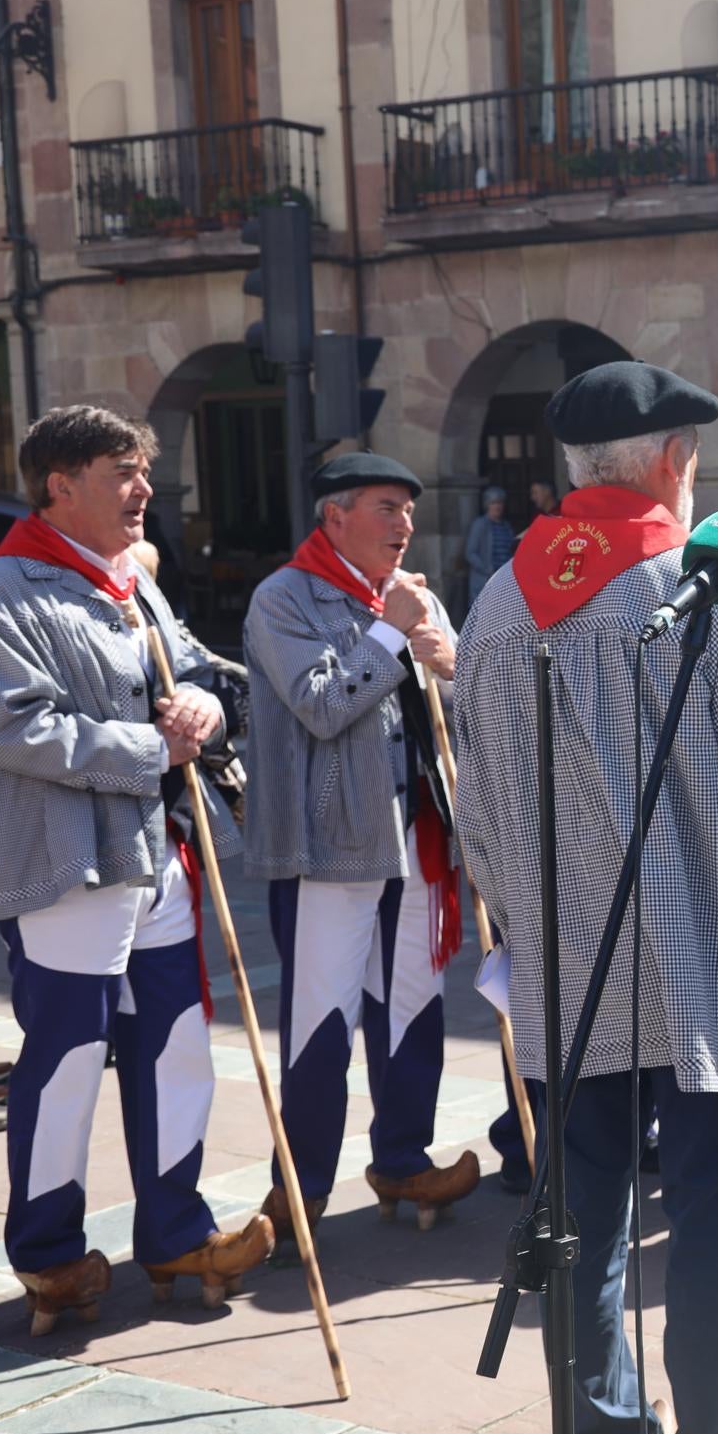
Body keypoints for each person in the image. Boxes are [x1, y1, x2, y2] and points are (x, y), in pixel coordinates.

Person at [452, 362, 718, 1434]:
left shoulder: (498, 605)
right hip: (704, 961)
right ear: (672, 459)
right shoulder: (705, 586)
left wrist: (525, 929)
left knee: (584, 1229)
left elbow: (478, 816)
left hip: (566, 974)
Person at [0, 407, 273, 1333]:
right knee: (68, 1065)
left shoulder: (129, 580)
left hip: (159, 854)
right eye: (121, 472)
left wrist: (206, 711)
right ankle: (48, 1254)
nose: (143, 491)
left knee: (173, 1044)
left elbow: (197, 669)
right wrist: (149, 746)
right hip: (67, 865)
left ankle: (175, 1229)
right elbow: (16, 728)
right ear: (59, 483)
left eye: (143, 472)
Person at [241, 452, 479, 1245]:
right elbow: (319, 703)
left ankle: (403, 1157)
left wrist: (453, 674)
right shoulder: (285, 597)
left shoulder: (412, 598)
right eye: (386, 507)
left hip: (417, 837)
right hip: (327, 844)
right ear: (334, 516)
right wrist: (391, 630)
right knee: (322, 1020)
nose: (404, 524)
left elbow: (450, 707)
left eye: (409, 510)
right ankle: (300, 1190)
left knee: (412, 1006)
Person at [463, 484, 517, 612]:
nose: (497, 506)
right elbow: (470, 553)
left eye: (500, 502)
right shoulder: (480, 525)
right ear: (487, 504)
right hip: (485, 581)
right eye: (493, 502)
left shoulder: (506, 526)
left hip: (504, 581)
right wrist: (487, 569)